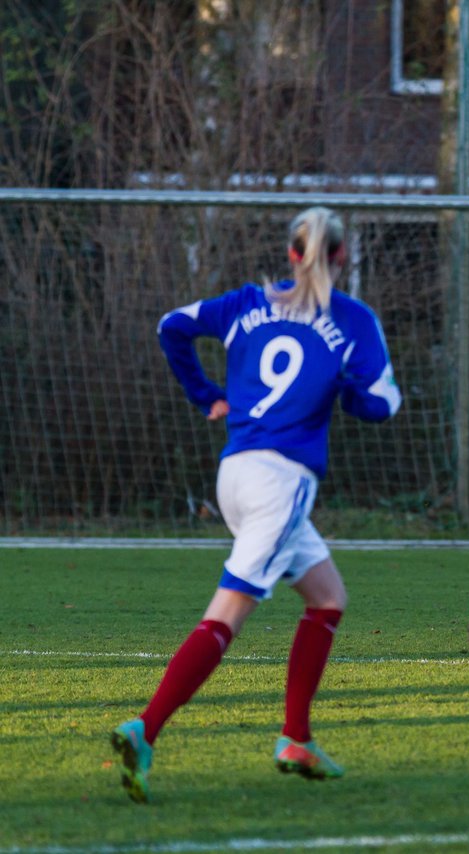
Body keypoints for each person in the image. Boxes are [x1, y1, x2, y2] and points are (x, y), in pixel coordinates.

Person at [109, 207, 402, 803]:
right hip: (281, 484)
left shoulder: (248, 301)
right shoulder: (350, 319)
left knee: (327, 598)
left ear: (292, 254)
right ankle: (145, 728)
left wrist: (206, 396)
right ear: (341, 257)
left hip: (235, 475)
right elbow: (383, 404)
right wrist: (345, 390)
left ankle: (296, 738)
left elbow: (172, 325)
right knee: (225, 615)